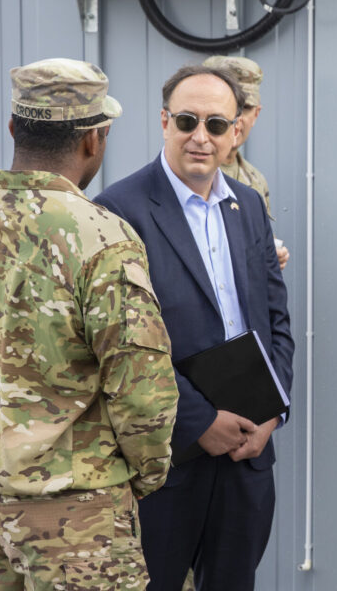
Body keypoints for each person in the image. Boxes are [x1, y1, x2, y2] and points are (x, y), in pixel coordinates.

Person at [0, 58, 178, 590]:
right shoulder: (103, 237)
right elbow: (143, 389)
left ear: (14, 129)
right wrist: (147, 473)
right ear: (94, 139)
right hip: (73, 514)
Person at [95, 64, 294, 591]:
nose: (200, 137)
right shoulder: (119, 210)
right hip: (169, 458)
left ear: (237, 132)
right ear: (164, 122)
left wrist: (274, 411)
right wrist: (199, 421)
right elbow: (119, 345)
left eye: (216, 124)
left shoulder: (247, 205)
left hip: (249, 452)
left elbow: (275, 319)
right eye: (187, 121)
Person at [203, 55, 290, 270]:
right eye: (230, 106)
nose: (237, 119)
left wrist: (271, 256)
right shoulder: (191, 175)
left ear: (257, 114)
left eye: (246, 108)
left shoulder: (254, 180)